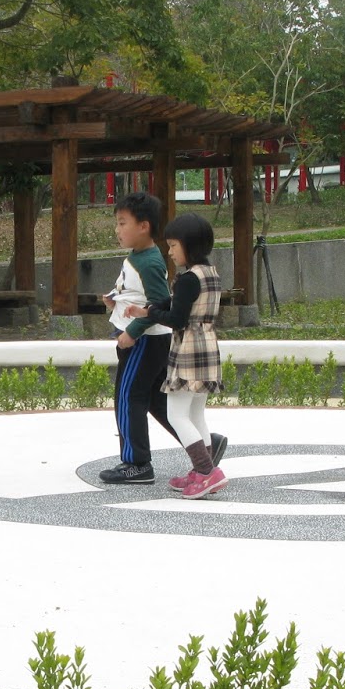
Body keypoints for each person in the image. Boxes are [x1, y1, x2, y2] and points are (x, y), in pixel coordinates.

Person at [128, 213, 228, 498]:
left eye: (173, 246)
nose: (170, 252)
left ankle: (207, 473)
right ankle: (202, 470)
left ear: (190, 246)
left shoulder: (187, 279)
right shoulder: (210, 273)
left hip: (188, 350)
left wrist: (151, 313)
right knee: (196, 414)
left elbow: (176, 318)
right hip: (207, 346)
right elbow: (173, 303)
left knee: (176, 415)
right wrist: (149, 309)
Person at [99, 192, 190, 485]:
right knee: (156, 400)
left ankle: (136, 463)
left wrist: (132, 332)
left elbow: (159, 303)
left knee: (128, 397)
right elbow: (138, 294)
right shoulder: (138, 257)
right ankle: (203, 445)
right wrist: (116, 301)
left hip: (144, 341)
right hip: (151, 340)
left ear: (144, 226)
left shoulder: (149, 262)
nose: (117, 229)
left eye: (122, 222)